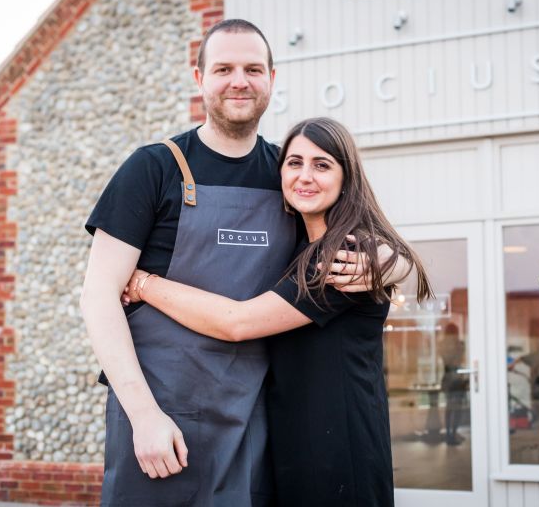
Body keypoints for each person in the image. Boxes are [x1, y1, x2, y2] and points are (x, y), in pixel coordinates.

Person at [81, 20, 407, 506]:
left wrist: (390, 260)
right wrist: (143, 415)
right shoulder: (153, 168)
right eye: (224, 68)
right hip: (164, 414)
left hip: (256, 421)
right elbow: (98, 295)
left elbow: (360, 230)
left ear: (272, 79)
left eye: (253, 68)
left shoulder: (288, 174)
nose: (240, 80)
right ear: (199, 79)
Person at [123, 117, 434, 507]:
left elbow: (239, 322)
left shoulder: (344, 255)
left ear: (346, 177)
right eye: (294, 163)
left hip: (337, 449)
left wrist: (144, 284)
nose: (305, 176)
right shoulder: (300, 246)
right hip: (294, 441)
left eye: (322, 165)